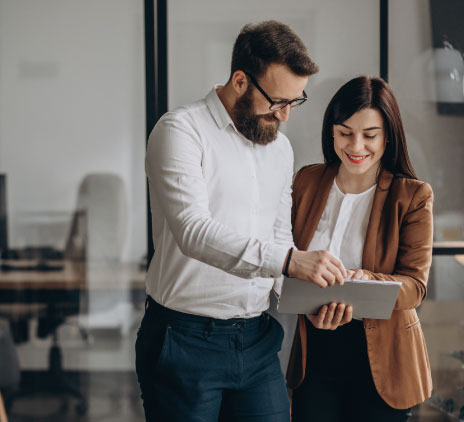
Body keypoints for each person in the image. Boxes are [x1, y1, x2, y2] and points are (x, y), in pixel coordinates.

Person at [136, 21, 348, 422]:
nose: (285, 116)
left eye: (294, 102)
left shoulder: (279, 149)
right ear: (239, 80)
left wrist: (305, 300)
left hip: (256, 338)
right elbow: (192, 231)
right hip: (183, 339)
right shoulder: (180, 131)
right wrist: (288, 260)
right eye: (277, 102)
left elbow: (278, 233)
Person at [287, 76, 433, 422]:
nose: (356, 146)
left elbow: (415, 287)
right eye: (345, 132)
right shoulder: (306, 182)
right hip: (316, 352)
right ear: (331, 131)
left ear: (388, 136)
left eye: (370, 135)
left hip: (386, 358)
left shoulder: (412, 195)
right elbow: (285, 257)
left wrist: (366, 279)